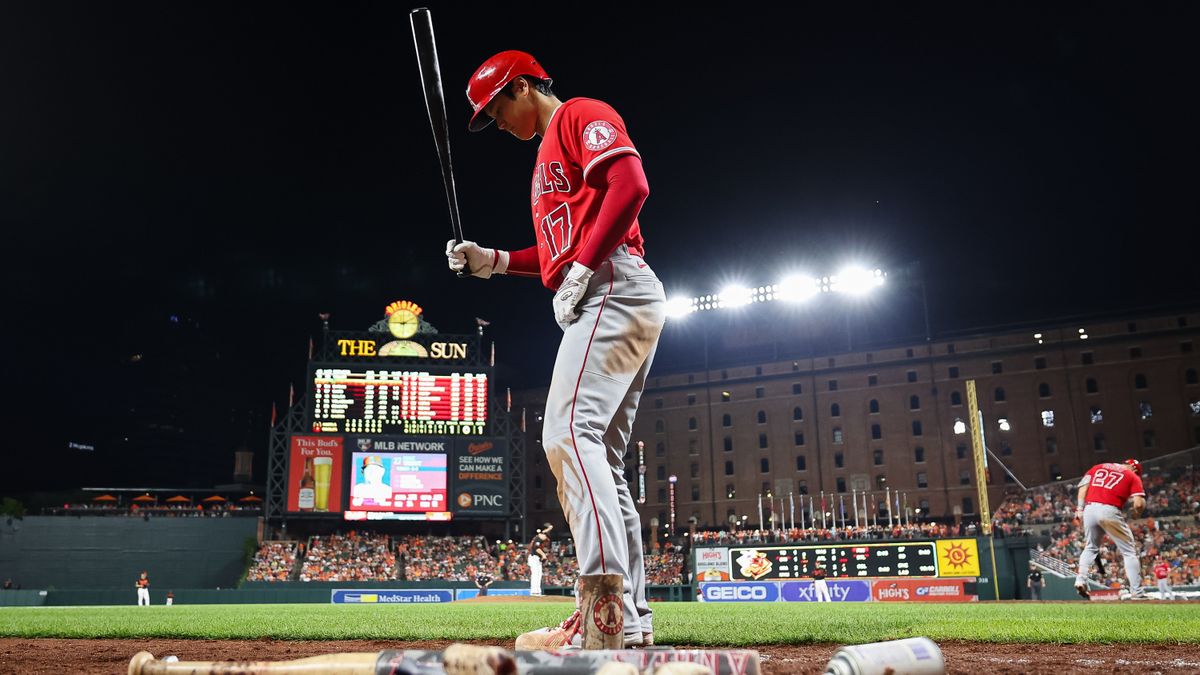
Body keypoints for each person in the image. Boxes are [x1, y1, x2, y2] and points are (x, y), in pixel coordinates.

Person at [450, 50, 665, 650]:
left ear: (523, 86)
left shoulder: (578, 115)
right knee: (603, 461)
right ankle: (632, 620)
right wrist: (490, 261)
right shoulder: (546, 155)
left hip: (613, 284)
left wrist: (586, 268)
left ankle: (598, 610)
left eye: (497, 110)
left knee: (566, 435)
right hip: (611, 287)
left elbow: (632, 183)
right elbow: (551, 256)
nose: (499, 125)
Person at [1073, 458, 1147, 600]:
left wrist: (1079, 509)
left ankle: (1080, 580)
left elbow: (1083, 487)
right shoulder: (1132, 476)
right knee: (1129, 552)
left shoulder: (1098, 466)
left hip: (1089, 509)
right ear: (1135, 469)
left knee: (1090, 547)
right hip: (1109, 509)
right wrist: (1137, 513)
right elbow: (1138, 504)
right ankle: (1137, 592)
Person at [528, 526, 550, 597]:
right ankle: (534, 592)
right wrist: (543, 555)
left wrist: (550, 528)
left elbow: (544, 531)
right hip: (533, 558)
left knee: (538, 574)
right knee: (535, 575)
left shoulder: (540, 537)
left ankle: (537, 592)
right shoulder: (538, 538)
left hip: (536, 559)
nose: (546, 539)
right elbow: (536, 548)